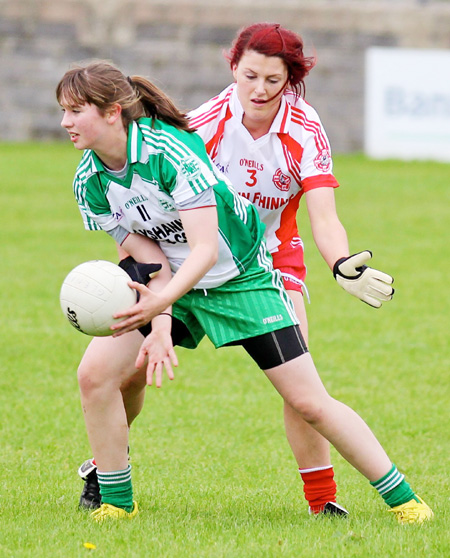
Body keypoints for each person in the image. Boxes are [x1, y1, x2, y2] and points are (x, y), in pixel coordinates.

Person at [56, 60, 432, 525]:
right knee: (96, 374)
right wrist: (159, 322)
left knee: (308, 402)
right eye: (63, 111)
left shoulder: (168, 153)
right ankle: (116, 503)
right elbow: (148, 257)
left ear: (113, 112)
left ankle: (405, 501)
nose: (65, 122)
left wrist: (160, 308)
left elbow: (205, 249)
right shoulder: (87, 181)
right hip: (170, 281)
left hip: (241, 279)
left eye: (76, 111)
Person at [188, 22, 395, 514]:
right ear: (233, 67)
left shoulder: (304, 127)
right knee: (126, 368)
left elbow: (324, 216)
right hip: (196, 258)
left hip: (272, 260)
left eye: (273, 81)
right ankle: (105, 464)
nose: (258, 90)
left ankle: (322, 503)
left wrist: (342, 264)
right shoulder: (202, 125)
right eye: (249, 75)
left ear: (291, 80)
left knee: (301, 387)